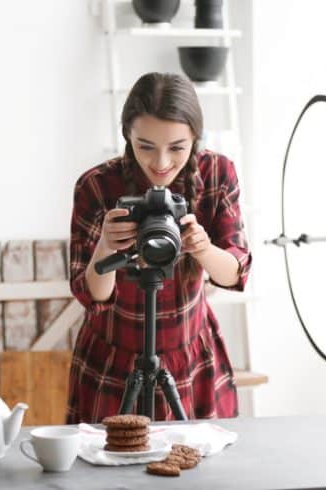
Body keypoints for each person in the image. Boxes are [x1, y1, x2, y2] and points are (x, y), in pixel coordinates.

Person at [66, 72, 252, 423]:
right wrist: (106, 248)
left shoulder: (216, 174)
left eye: (177, 148)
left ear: (195, 137)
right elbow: (93, 296)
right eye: (146, 146)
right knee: (107, 472)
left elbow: (235, 273)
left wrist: (202, 247)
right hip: (112, 359)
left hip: (191, 355)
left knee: (197, 470)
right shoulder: (97, 186)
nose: (161, 163)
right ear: (127, 136)